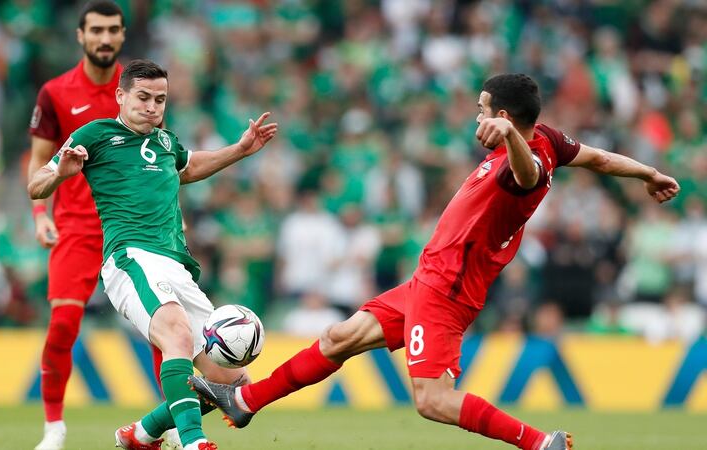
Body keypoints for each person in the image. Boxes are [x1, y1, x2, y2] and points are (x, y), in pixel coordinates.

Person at [190, 73, 680, 450]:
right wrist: (650, 173)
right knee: (340, 337)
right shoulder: (551, 137)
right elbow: (597, 158)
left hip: (448, 287)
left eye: (482, 111)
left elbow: (527, 174)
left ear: (505, 115)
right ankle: (246, 400)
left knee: (431, 400)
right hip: (429, 278)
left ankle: (538, 442)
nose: (476, 118)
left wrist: (509, 136)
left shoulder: (525, 163)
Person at [28, 59, 277, 450]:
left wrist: (241, 150)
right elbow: (35, 185)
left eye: (160, 99)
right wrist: (61, 171)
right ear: (121, 96)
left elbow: (190, 166)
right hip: (130, 258)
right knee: (176, 334)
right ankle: (194, 442)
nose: (152, 107)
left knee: (232, 381)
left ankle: (141, 434)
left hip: (176, 264)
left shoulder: (165, 141)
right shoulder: (96, 134)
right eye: (143, 97)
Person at [24, 3, 161, 449]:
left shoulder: (140, 90)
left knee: (163, 326)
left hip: (131, 226)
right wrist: (41, 216)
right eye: (97, 30)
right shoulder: (56, 92)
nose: (105, 38)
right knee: (63, 325)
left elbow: (157, 159)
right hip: (78, 228)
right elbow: (38, 165)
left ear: (123, 36)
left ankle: (173, 424)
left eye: (113, 31)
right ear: (80, 35)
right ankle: (54, 428)